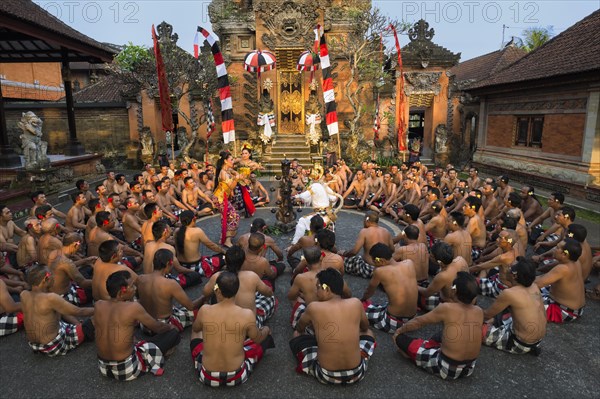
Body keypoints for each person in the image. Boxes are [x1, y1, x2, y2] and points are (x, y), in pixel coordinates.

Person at [290, 268, 376, 385]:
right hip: (357, 373)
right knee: (369, 333)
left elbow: (299, 328)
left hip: (326, 375)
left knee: (296, 335)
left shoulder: (314, 307)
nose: (316, 291)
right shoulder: (356, 303)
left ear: (326, 288)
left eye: (318, 287)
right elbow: (365, 327)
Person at [393, 272, 482, 380]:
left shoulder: (447, 308)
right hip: (469, 368)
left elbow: (418, 322)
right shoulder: (479, 311)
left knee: (401, 340)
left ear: (454, 290)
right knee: (444, 333)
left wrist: (399, 331)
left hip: (446, 368)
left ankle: (414, 355)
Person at [191, 271, 273, 387]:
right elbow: (258, 339)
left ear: (217, 290)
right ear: (236, 290)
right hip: (237, 376)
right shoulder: (247, 314)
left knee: (196, 332)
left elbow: (196, 328)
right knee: (262, 337)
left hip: (207, 376)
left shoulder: (204, 310)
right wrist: (266, 329)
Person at [94, 271, 180, 381]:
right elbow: (157, 327)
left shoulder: (98, 305)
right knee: (173, 334)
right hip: (128, 369)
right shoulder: (133, 307)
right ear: (122, 291)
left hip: (103, 367)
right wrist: (171, 327)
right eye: (132, 286)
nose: (135, 288)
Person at [20, 265, 94, 356]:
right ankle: (80, 328)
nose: (54, 277)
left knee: (60, 308)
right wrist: (100, 309)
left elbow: (61, 311)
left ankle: (78, 325)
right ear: (45, 279)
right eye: (51, 274)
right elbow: (79, 311)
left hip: (35, 345)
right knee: (94, 321)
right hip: (54, 345)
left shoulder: (24, 294)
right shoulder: (50, 298)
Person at [482, 257, 546, 355]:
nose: (506, 269)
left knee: (472, 330)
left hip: (519, 343)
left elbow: (486, 315)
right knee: (506, 311)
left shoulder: (510, 293)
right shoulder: (534, 286)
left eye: (510, 268)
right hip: (536, 341)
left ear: (514, 276)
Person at [202, 246, 275, 328]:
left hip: (223, 323)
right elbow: (268, 293)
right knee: (270, 297)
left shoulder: (217, 277)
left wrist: (215, 289)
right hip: (247, 327)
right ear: (243, 261)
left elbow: (206, 293)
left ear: (225, 260)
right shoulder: (252, 277)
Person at [137, 249, 203, 332]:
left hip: (145, 324)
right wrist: (204, 296)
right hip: (164, 325)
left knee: (173, 307)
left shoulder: (140, 278)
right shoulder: (171, 284)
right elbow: (191, 306)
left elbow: (139, 299)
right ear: (169, 263)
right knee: (201, 310)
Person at [361, 244, 417, 333]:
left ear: (382, 261)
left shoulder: (380, 271)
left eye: (375, 262)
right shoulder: (409, 263)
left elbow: (369, 292)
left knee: (360, 309)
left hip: (393, 321)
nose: (374, 265)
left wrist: (362, 300)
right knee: (382, 305)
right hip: (412, 318)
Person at [535, 239, 585, 323]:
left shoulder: (563, 268)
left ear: (564, 254)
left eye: (557, 248)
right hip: (576, 309)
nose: (554, 249)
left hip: (564, 310)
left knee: (524, 300)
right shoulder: (575, 262)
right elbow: (544, 277)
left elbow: (537, 284)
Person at [143, 220, 201, 288]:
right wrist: (193, 272)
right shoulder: (168, 248)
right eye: (169, 228)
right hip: (158, 284)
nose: (171, 229)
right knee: (195, 276)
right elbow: (179, 269)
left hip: (146, 280)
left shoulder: (148, 244)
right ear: (165, 232)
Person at [418, 241, 469, 311]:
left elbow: (426, 293)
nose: (429, 256)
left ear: (439, 262)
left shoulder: (443, 276)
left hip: (451, 305)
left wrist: (415, 286)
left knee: (415, 295)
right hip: (464, 299)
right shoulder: (460, 260)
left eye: (431, 256)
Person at [343, 211, 394, 279]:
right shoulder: (386, 231)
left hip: (370, 268)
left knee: (342, 261)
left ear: (367, 220)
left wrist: (344, 254)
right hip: (385, 265)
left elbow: (354, 252)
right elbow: (392, 249)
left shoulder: (365, 231)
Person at [174, 210, 225, 278]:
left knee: (212, 257)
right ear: (193, 219)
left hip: (182, 265)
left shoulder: (176, 231)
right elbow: (211, 245)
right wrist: (224, 251)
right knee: (223, 257)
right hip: (196, 266)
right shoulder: (197, 231)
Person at [470, 229, 519, 298]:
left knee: (469, 283)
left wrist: (465, 270)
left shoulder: (504, 258)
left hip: (501, 287)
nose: (497, 239)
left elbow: (480, 267)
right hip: (501, 279)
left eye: (500, 238)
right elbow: (488, 258)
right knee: (486, 269)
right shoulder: (513, 249)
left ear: (508, 242)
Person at [212, 151, 242, 246]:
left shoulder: (226, 170)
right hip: (220, 198)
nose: (233, 161)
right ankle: (227, 240)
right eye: (231, 160)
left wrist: (236, 174)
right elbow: (231, 186)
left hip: (223, 197)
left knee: (226, 217)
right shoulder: (223, 173)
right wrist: (237, 178)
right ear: (225, 161)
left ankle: (223, 237)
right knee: (234, 216)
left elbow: (232, 172)